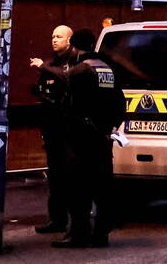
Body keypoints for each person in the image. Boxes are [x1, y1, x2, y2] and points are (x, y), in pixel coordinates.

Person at [54, 30, 125, 248]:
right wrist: (112, 125)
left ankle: (78, 233)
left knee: (78, 188)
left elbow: (68, 106)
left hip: (81, 138)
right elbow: (120, 101)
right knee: (102, 186)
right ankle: (101, 233)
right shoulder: (107, 70)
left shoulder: (79, 71)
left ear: (74, 48)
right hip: (103, 137)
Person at [29, 25, 78, 235]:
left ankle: (74, 223)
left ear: (69, 40)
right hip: (52, 129)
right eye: (53, 36)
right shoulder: (51, 63)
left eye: (59, 36)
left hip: (68, 130)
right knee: (55, 177)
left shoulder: (73, 61)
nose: (54, 40)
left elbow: (67, 78)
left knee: (69, 177)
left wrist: (44, 68)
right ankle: (57, 220)